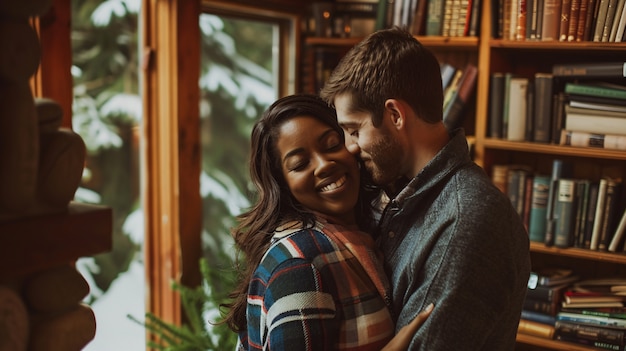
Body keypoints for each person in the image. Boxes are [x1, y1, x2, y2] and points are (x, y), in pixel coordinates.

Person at [319, 27, 531, 350]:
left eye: (354, 130)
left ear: (394, 115)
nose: (349, 148)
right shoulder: (391, 191)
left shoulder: (465, 221)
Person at [221, 94, 433, 350]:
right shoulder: (299, 266)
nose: (324, 164)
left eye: (332, 145)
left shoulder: (357, 236)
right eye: (299, 164)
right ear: (283, 186)